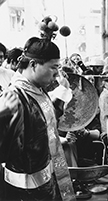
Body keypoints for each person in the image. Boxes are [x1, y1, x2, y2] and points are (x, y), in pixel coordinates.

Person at [0, 37, 75, 200]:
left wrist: (62, 93)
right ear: (33, 64)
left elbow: (45, 120)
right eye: (53, 67)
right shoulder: (15, 97)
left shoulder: (37, 90)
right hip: (26, 188)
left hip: (46, 175)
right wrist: (2, 117)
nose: (56, 74)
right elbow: (6, 149)